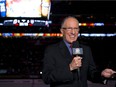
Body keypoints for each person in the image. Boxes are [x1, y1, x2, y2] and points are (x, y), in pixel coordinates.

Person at [42, 16, 116, 87]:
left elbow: (91, 74)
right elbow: (47, 78)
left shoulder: (86, 49)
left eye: (76, 28)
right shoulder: (51, 50)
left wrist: (101, 74)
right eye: (69, 28)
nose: (73, 32)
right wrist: (70, 68)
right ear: (62, 31)